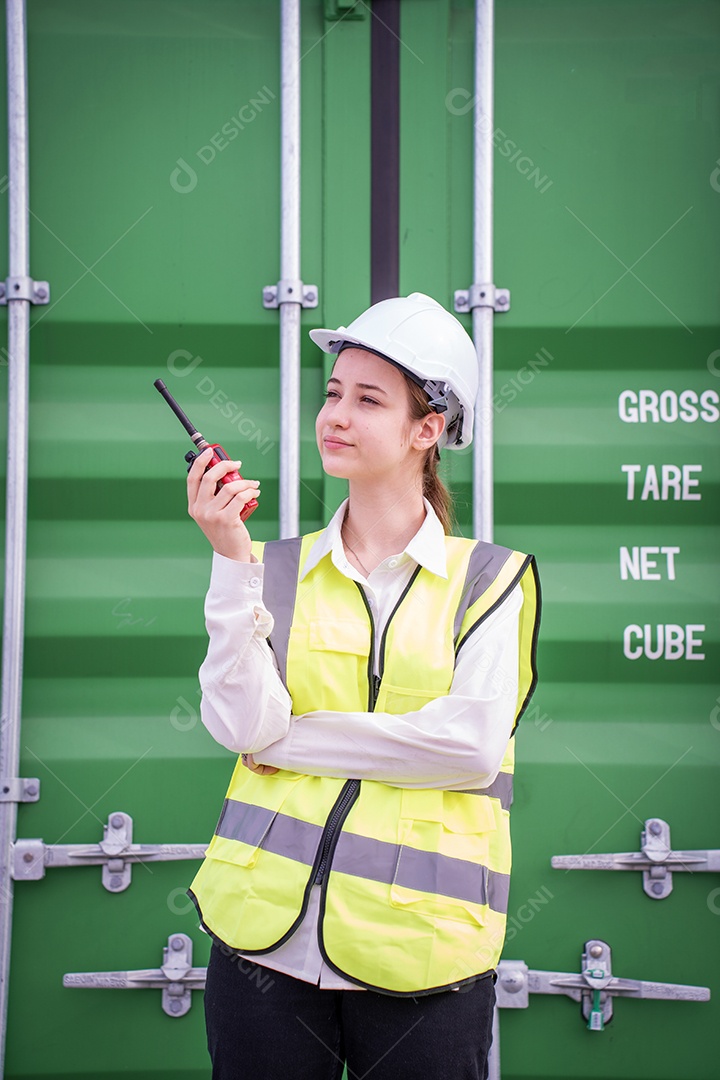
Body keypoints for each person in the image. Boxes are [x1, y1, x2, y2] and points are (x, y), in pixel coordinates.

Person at [185, 292, 541, 1080]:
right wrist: (228, 555)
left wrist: (292, 739)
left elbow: (468, 748)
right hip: (262, 951)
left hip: (423, 955)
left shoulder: (491, 581)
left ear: (428, 430)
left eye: (368, 399)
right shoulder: (270, 568)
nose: (335, 415)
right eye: (333, 392)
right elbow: (243, 722)